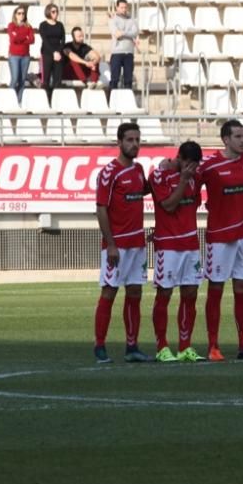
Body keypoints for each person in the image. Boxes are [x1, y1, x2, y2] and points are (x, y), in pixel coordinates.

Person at [198, 120, 243, 361]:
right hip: (219, 237)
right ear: (225, 139)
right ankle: (212, 346)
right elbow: (192, 182)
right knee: (216, 288)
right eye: (238, 136)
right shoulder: (210, 164)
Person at [93, 121, 150, 363]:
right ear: (119, 142)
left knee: (135, 292)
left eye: (137, 140)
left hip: (137, 244)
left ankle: (132, 347)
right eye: (129, 140)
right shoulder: (109, 173)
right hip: (117, 246)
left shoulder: (138, 170)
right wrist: (111, 243)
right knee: (109, 292)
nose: (134, 144)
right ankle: (100, 346)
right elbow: (101, 209)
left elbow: (146, 191)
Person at [148, 141, 205, 363]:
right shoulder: (159, 177)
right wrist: (183, 180)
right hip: (168, 246)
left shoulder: (196, 176)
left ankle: (185, 346)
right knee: (164, 295)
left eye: (195, 166)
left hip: (190, 245)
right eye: (189, 164)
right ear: (179, 158)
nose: (193, 169)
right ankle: (162, 347)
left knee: (190, 294)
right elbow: (169, 206)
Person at [109, 0, 139, 89]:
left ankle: (127, 101)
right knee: (114, 79)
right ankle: (111, 100)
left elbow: (135, 32)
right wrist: (128, 33)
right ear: (117, 7)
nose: (124, 9)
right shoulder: (113, 19)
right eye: (121, 7)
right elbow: (116, 34)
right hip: (117, 52)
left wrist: (123, 33)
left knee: (128, 80)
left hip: (129, 52)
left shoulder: (132, 19)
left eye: (125, 7)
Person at [6, 5, 33, 103]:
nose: (21, 15)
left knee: (22, 81)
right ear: (15, 15)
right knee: (15, 78)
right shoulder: (11, 25)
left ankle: (18, 102)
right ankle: (9, 101)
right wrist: (25, 37)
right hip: (14, 56)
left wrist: (19, 37)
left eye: (23, 13)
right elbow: (13, 39)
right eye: (19, 13)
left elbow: (32, 40)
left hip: (25, 56)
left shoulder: (28, 26)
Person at [38, 3, 65, 99]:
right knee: (46, 79)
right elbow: (45, 40)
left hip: (58, 54)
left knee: (57, 80)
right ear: (48, 12)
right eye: (53, 11)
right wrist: (54, 52)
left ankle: (56, 100)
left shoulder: (60, 25)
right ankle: (46, 100)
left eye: (57, 11)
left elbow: (63, 40)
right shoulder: (43, 25)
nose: (56, 13)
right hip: (47, 54)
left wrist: (58, 52)